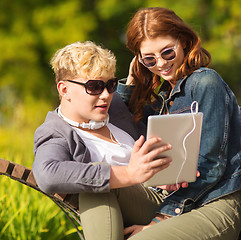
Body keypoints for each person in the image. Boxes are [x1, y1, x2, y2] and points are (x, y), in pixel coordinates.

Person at [32, 41, 179, 240]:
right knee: (94, 186)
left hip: (171, 193)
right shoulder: (54, 132)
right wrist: (129, 174)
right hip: (128, 208)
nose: (106, 95)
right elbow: (47, 174)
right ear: (64, 90)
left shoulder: (115, 106)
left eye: (110, 85)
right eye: (94, 86)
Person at [117, 7, 241, 240]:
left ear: (183, 41)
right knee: (101, 189)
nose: (161, 64)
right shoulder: (164, 97)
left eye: (167, 53)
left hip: (218, 201)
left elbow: (211, 165)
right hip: (181, 200)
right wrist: (132, 80)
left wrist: (160, 219)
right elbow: (123, 122)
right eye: (149, 59)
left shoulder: (205, 82)